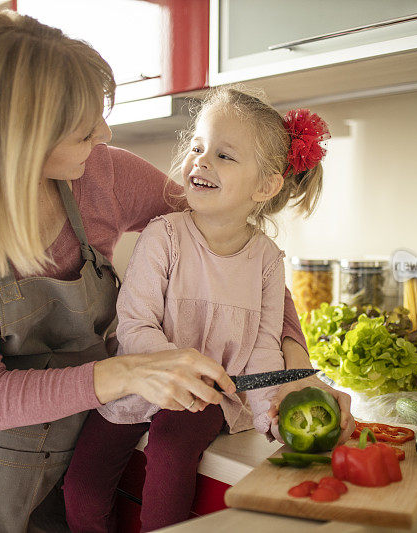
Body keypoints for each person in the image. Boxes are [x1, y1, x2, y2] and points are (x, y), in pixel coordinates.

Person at [0, 11, 353, 532]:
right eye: (84, 128)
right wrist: (133, 372)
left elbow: (236, 253)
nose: (105, 134)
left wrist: (296, 374)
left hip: (61, 453)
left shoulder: (104, 174)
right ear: (20, 135)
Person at [62, 88, 337, 532]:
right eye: (197, 147)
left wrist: (276, 410)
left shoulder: (266, 259)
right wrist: (173, 369)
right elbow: (136, 324)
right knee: (82, 493)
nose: (201, 161)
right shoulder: (164, 235)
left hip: (205, 398)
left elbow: (263, 352)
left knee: (172, 446)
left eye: (224, 156)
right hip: (137, 384)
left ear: (265, 185)